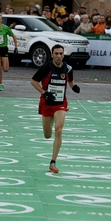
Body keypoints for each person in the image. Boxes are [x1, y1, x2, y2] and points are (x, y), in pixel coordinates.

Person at [30, 44, 81, 173]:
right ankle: (50, 121)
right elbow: (33, 81)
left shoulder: (68, 68)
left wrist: (74, 87)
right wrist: (44, 92)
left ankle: (53, 162)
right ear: (52, 55)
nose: (59, 56)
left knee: (59, 130)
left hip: (60, 104)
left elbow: (70, 81)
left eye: (61, 54)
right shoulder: (46, 68)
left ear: (63, 55)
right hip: (47, 104)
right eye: (56, 54)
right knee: (47, 135)